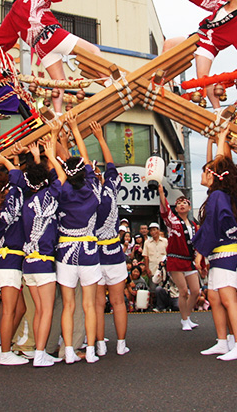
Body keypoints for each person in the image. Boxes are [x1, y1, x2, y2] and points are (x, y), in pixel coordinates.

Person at [0, 0, 102, 114]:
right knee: (94, 50)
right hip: (52, 35)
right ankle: (110, 83)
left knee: (59, 83)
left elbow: (0, 40)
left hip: (41, 48)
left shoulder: (11, 15)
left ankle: (57, 113)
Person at [45, 114, 102, 364]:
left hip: (66, 250)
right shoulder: (93, 188)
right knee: (88, 305)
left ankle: (68, 351)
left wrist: (54, 138)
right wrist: (76, 129)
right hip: (89, 249)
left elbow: (60, 174)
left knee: (68, 304)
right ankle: (89, 351)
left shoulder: (62, 191)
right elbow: (86, 161)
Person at [193, 127, 237, 361]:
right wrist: (220, 139)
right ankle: (222, 341)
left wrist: (199, 252)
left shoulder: (218, 197)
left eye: (207, 171)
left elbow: (211, 228)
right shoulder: (219, 195)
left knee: (227, 298)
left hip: (226, 251)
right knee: (215, 297)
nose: (203, 173)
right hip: (220, 252)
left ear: (215, 176)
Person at [16, 140, 62, 367]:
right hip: (44, 263)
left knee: (38, 311)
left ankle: (37, 350)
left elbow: (44, 179)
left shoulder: (27, 201)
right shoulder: (48, 196)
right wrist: (51, 156)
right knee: (45, 311)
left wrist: (35, 159)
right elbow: (60, 178)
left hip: (29, 263)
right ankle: (41, 352)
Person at [90, 121, 130, 357]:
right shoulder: (111, 189)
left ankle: (100, 344)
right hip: (114, 253)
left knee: (96, 304)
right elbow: (112, 166)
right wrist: (101, 138)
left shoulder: (86, 196)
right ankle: (121, 344)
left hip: (94, 254)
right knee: (118, 303)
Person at [0, 153, 29, 367]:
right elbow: (18, 181)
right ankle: (4, 351)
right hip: (10, 259)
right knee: (11, 308)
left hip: (6, 259)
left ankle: (6, 343)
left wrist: (12, 162)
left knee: (16, 308)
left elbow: (17, 178)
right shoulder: (13, 196)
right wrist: (8, 162)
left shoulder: (0, 202)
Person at [158, 185, 201, 332]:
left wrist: (199, 261)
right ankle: (184, 320)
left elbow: (197, 245)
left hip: (189, 260)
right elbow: (165, 208)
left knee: (196, 291)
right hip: (175, 259)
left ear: (189, 207)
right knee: (183, 291)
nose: (182, 204)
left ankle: (187, 315)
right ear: (175, 209)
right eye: (178, 203)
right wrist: (161, 192)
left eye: (185, 202)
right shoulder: (172, 222)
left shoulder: (195, 226)